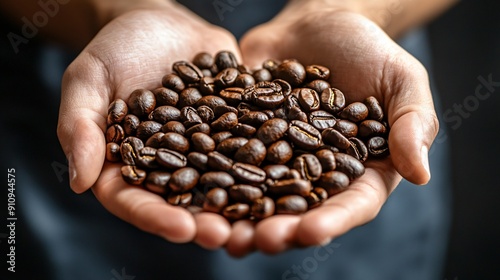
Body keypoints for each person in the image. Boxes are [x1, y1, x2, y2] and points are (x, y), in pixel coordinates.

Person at [0, 0, 471, 279]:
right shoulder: (160, 132)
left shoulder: (325, 123)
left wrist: (345, 9)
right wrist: (112, 8)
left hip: (369, 55)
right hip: (55, 91)